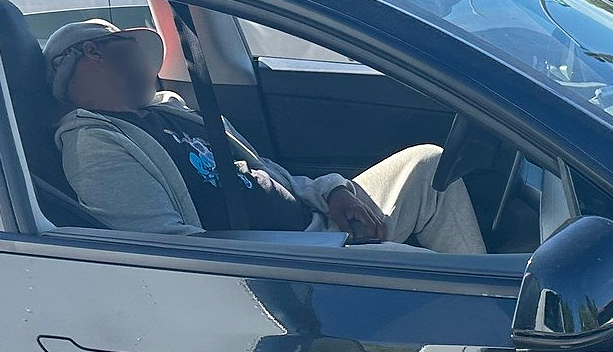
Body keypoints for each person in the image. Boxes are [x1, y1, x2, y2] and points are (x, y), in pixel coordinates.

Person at [44, 18, 486, 254]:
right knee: (429, 275)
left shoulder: (172, 111)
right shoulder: (96, 147)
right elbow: (171, 252)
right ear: (93, 53)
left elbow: (265, 173)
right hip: (287, 261)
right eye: (134, 48)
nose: (149, 61)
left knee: (429, 165)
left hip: (320, 225)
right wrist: (310, 252)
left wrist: (332, 191)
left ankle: (497, 306)